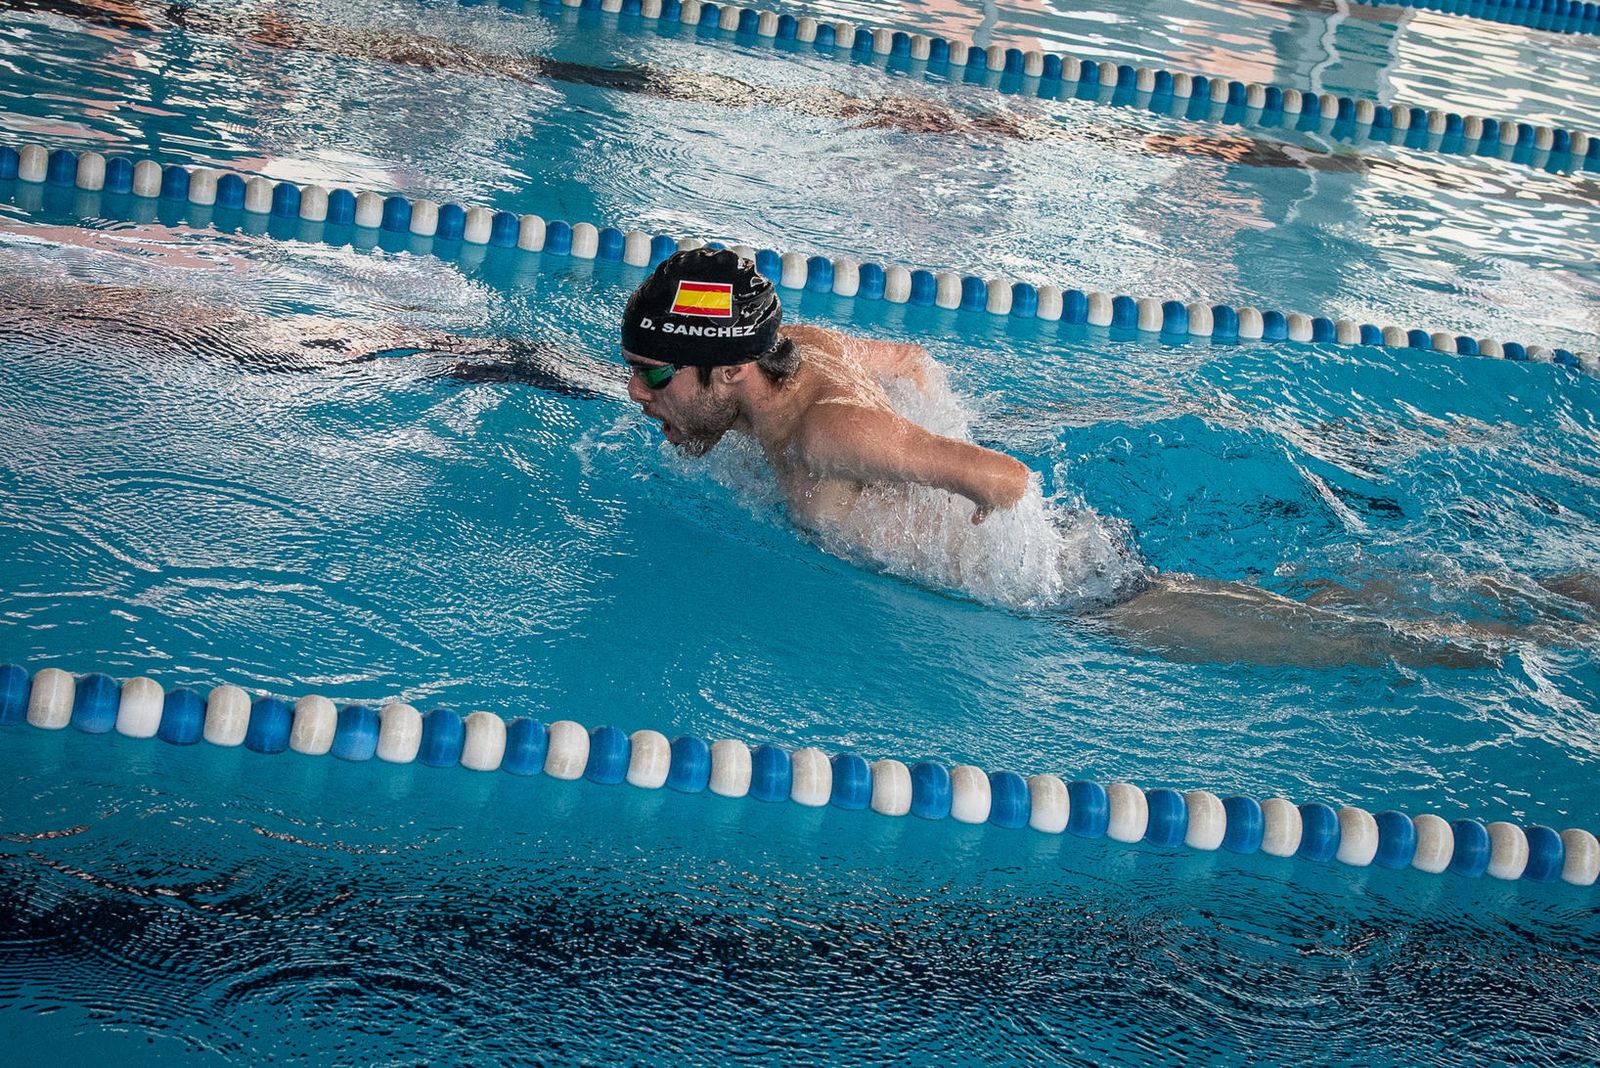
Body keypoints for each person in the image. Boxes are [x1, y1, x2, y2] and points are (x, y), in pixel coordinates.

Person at [621, 248, 1030, 533]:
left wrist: (934, 454)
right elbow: (910, 359)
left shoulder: (827, 436)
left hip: (1068, 608)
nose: (634, 390)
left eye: (653, 375)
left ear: (731, 370)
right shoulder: (797, 347)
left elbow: (1010, 479)